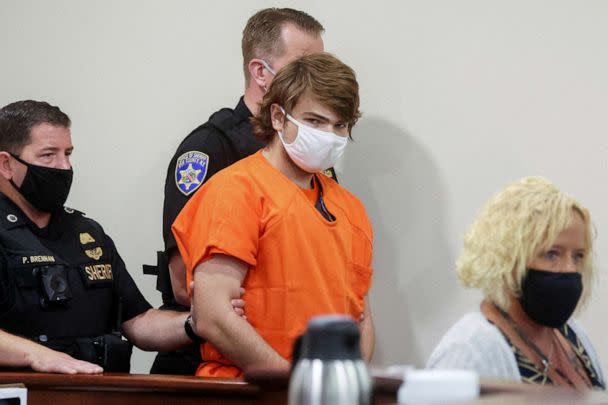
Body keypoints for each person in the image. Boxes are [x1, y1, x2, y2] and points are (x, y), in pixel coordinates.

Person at [146, 7, 328, 375]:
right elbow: (185, 284)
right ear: (261, 72)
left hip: (289, 357)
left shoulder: (308, 151)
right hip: (212, 366)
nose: (317, 79)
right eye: (304, 66)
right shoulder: (212, 149)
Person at [172, 52, 375, 378]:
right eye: (314, 121)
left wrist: (343, 386)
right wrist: (289, 383)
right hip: (249, 391)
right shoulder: (236, 190)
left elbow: (361, 316)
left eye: (340, 125)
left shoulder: (349, 208)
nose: (329, 135)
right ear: (278, 117)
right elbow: (212, 314)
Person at [0, 100, 198, 374]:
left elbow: (139, 322)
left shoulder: (87, 232)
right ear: (6, 164)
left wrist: (197, 322)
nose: (64, 167)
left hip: (99, 392)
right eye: (48, 155)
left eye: (68, 153)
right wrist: (38, 355)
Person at [427, 177, 605, 390]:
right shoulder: (469, 351)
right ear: (508, 258)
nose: (570, 269)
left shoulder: (572, 336)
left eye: (578, 256)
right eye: (552, 254)